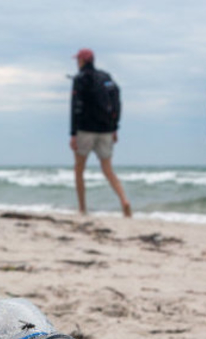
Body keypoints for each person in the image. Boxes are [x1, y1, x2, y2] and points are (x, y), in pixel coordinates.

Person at [70, 48, 132, 218]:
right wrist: (115, 128)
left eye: (78, 60)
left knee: (79, 170)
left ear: (82, 61)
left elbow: (75, 107)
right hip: (106, 130)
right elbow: (117, 102)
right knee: (108, 169)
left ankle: (82, 208)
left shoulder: (79, 79)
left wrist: (73, 134)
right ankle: (124, 200)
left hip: (85, 130)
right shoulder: (106, 77)